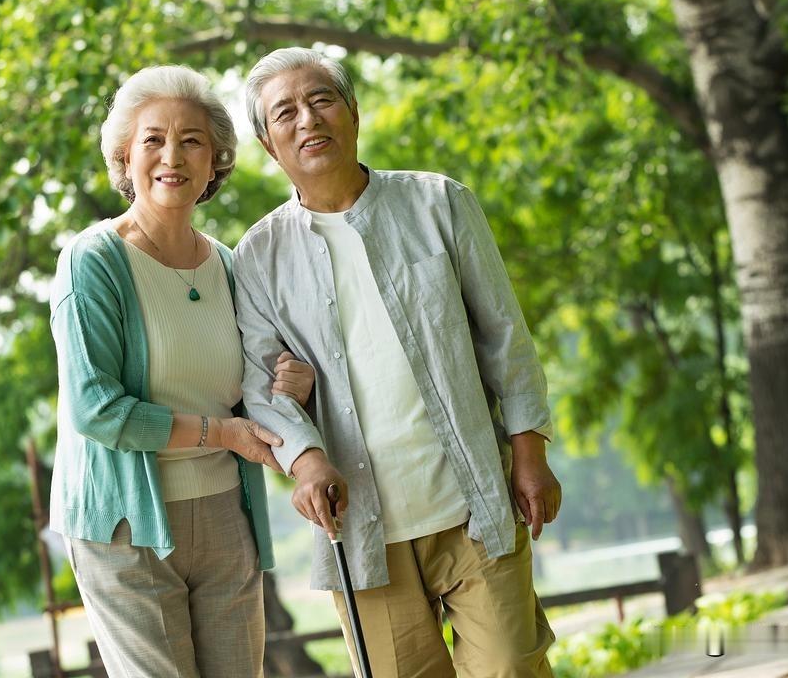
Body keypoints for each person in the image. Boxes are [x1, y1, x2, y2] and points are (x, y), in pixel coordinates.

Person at [233, 47, 561, 677]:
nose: (308, 120)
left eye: (322, 100)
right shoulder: (257, 258)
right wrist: (306, 461)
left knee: (514, 668)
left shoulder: (440, 203)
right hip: (360, 533)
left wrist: (529, 452)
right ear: (268, 144)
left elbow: (505, 337)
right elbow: (262, 386)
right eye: (286, 113)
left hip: (475, 507)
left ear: (353, 111)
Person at [48, 64, 315, 678]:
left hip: (225, 514)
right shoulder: (94, 261)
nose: (173, 156)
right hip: (125, 528)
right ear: (124, 155)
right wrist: (222, 434)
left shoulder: (227, 265)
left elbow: (248, 389)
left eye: (192, 140)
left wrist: (287, 389)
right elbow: (96, 410)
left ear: (216, 161)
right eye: (153, 139)